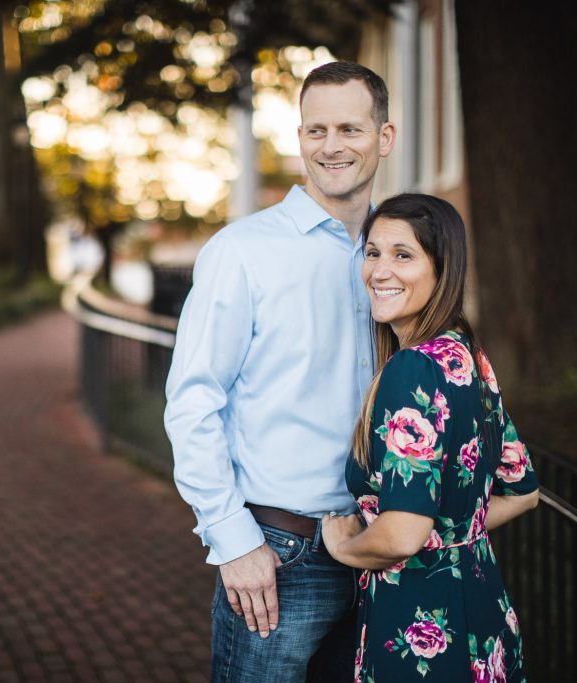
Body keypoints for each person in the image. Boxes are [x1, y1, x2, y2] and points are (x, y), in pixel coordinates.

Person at [164, 61, 396, 682]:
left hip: (385, 550)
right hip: (281, 555)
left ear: (384, 137)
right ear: (299, 139)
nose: (331, 146)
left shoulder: (396, 255)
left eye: (349, 128)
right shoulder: (244, 252)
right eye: (315, 130)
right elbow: (192, 402)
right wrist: (233, 541)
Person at [320, 193, 540, 682]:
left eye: (403, 255)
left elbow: (401, 535)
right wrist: (450, 536)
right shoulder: (464, 353)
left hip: (420, 629)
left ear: (443, 270)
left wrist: (344, 547)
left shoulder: (412, 369)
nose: (380, 270)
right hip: (483, 611)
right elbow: (523, 491)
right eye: (373, 252)